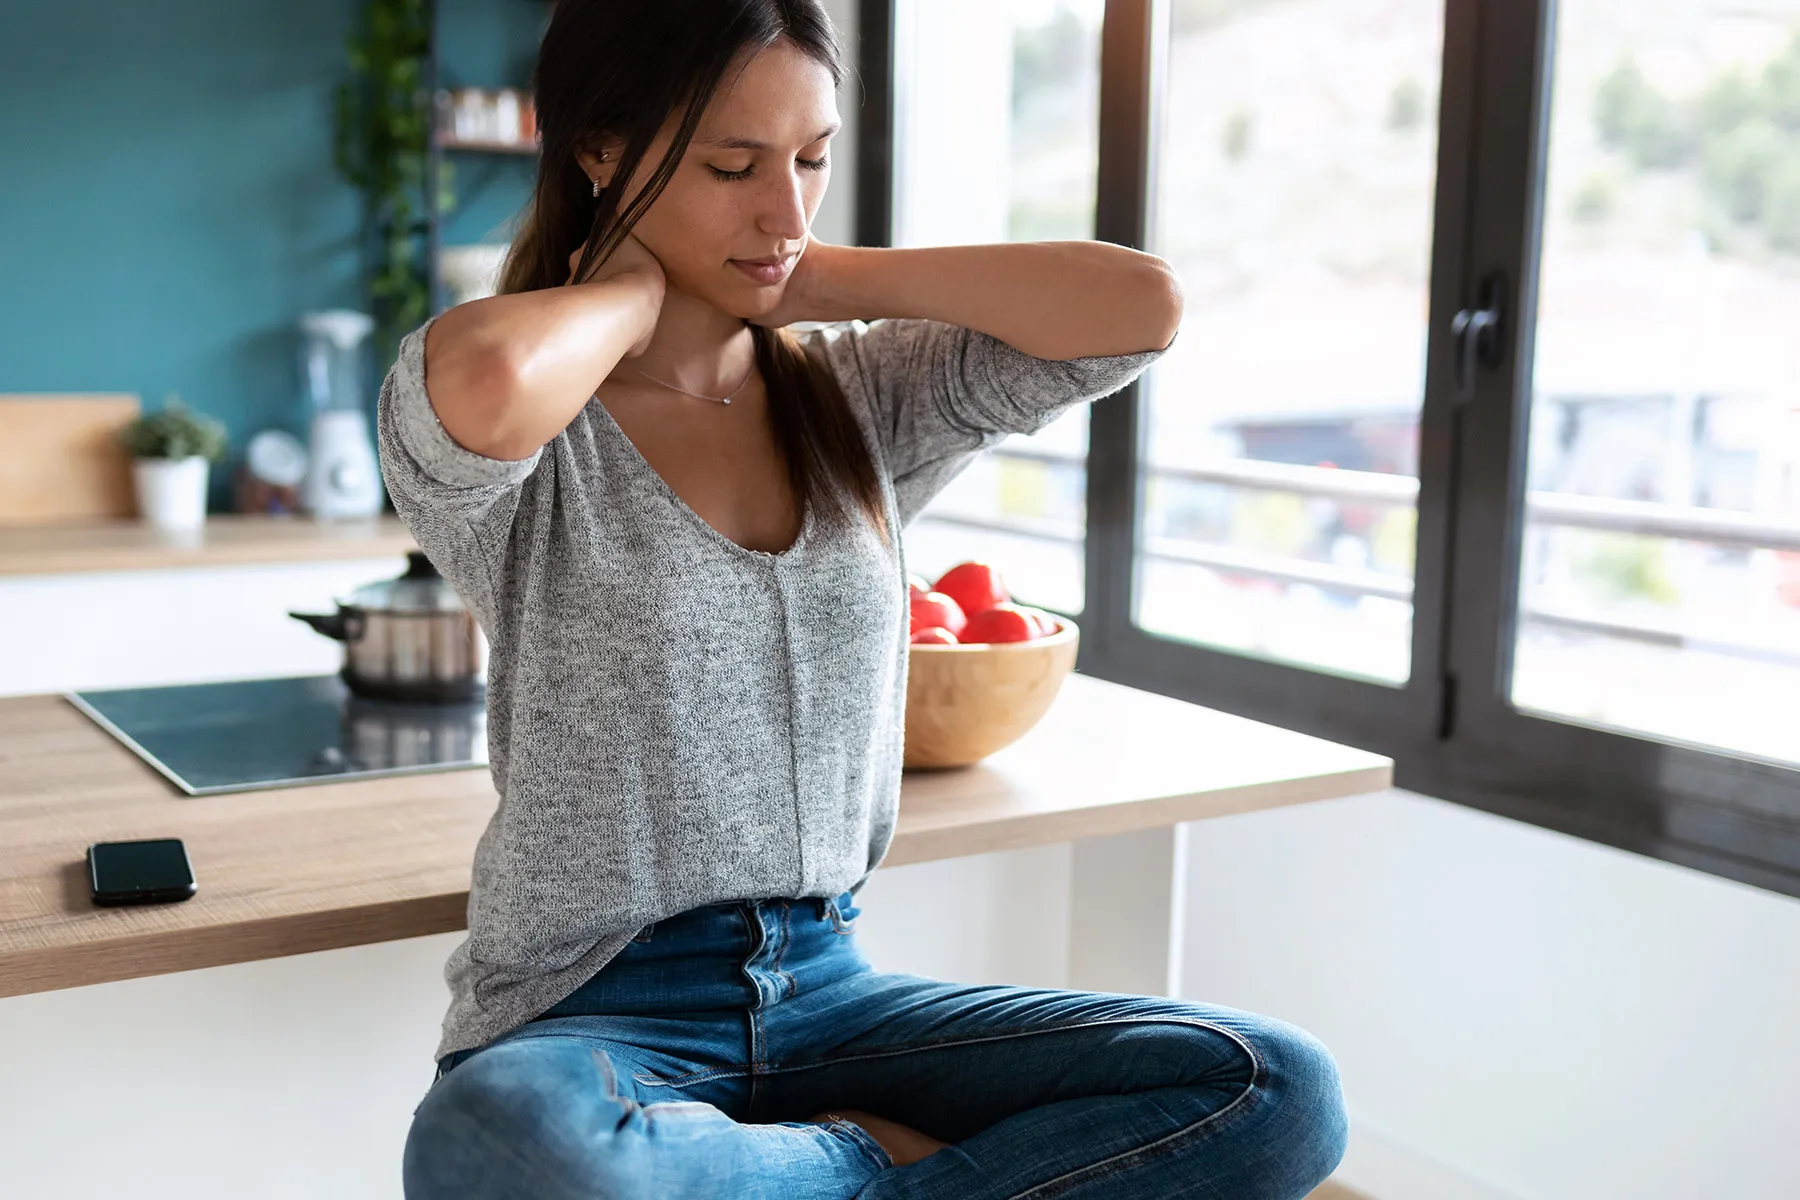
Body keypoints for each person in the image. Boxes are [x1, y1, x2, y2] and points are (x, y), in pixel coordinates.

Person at [388, 1, 1348, 1196]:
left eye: (811, 159)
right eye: (732, 165)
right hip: (592, 1014)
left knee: (1277, 1089)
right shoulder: (537, 433)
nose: (784, 206)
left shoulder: (861, 398)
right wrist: (635, 295)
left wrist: (812, 278)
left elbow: (1138, 308)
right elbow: (480, 375)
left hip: (829, 988)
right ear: (597, 146)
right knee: (504, 1142)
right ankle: (859, 1161)